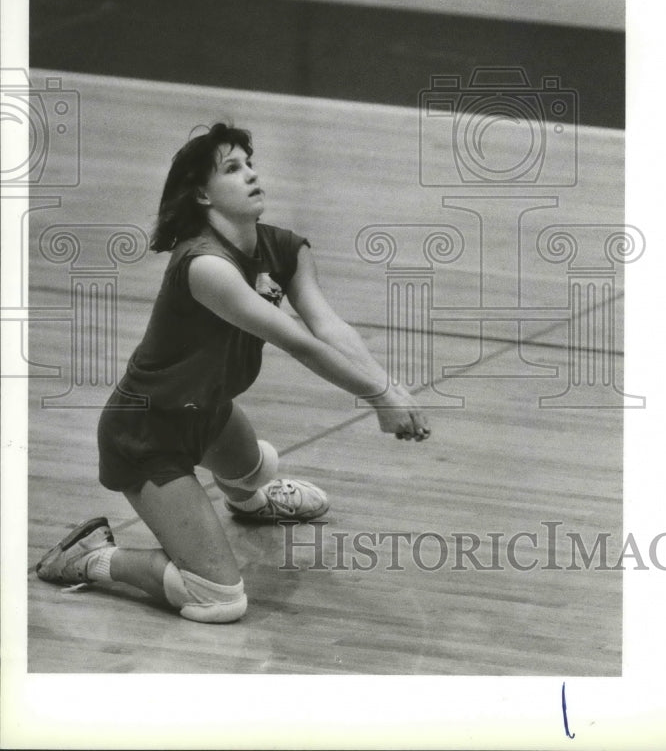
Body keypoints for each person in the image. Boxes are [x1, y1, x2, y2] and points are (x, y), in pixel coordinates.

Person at [36, 123, 429, 624]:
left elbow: (328, 326)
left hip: (211, 413)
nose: (251, 173)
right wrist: (377, 395)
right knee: (218, 600)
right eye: (232, 168)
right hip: (146, 432)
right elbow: (298, 341)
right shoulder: (206, 267)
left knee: (258, 468)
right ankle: (90, 558)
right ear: (202, 193)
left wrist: (389, 387)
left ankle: (252, 498)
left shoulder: (284, 248)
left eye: (250, 163)